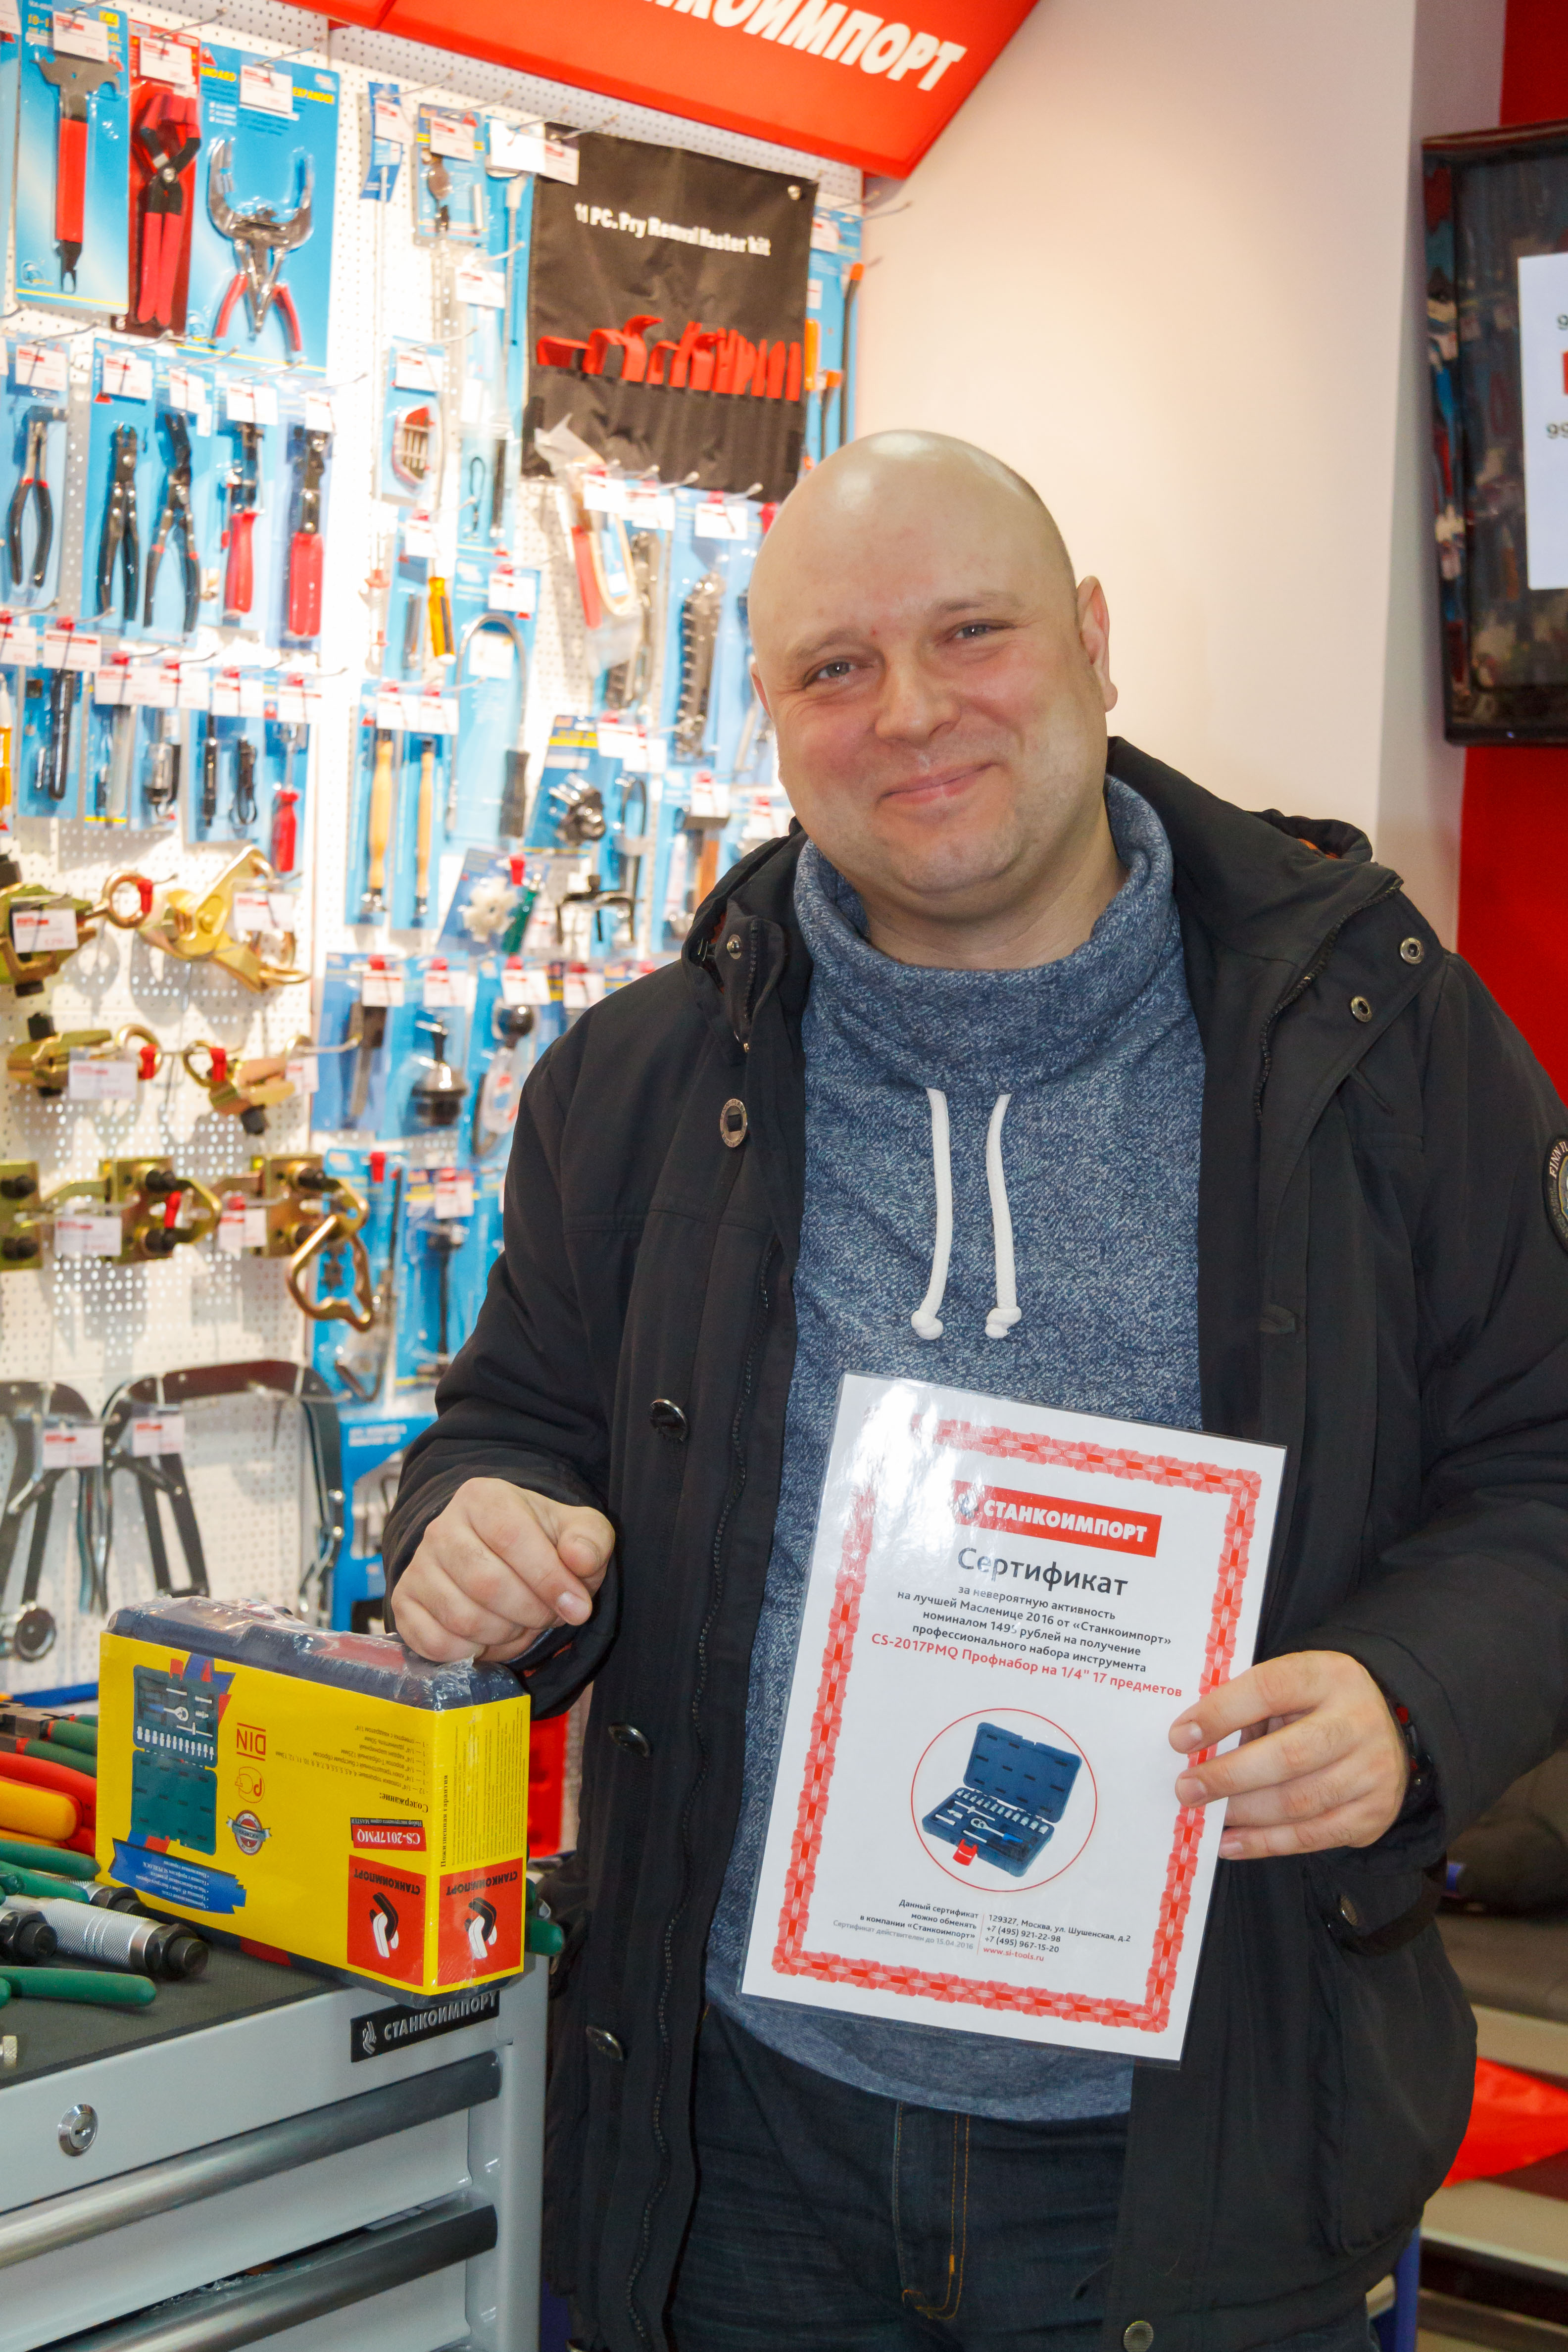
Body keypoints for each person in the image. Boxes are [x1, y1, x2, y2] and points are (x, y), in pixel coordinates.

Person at [383, 431, 1568, 2352]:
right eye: (835, 667)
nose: (913, 712)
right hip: (737, 2150)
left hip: (1206, 2145)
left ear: (1093, 638)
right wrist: (469, 1531)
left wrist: (1407, 1697)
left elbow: (1547, 1467)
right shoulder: (643, 1078)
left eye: (972, 634)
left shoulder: (1378, 1042)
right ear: (773, 718)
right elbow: (505, 1428)